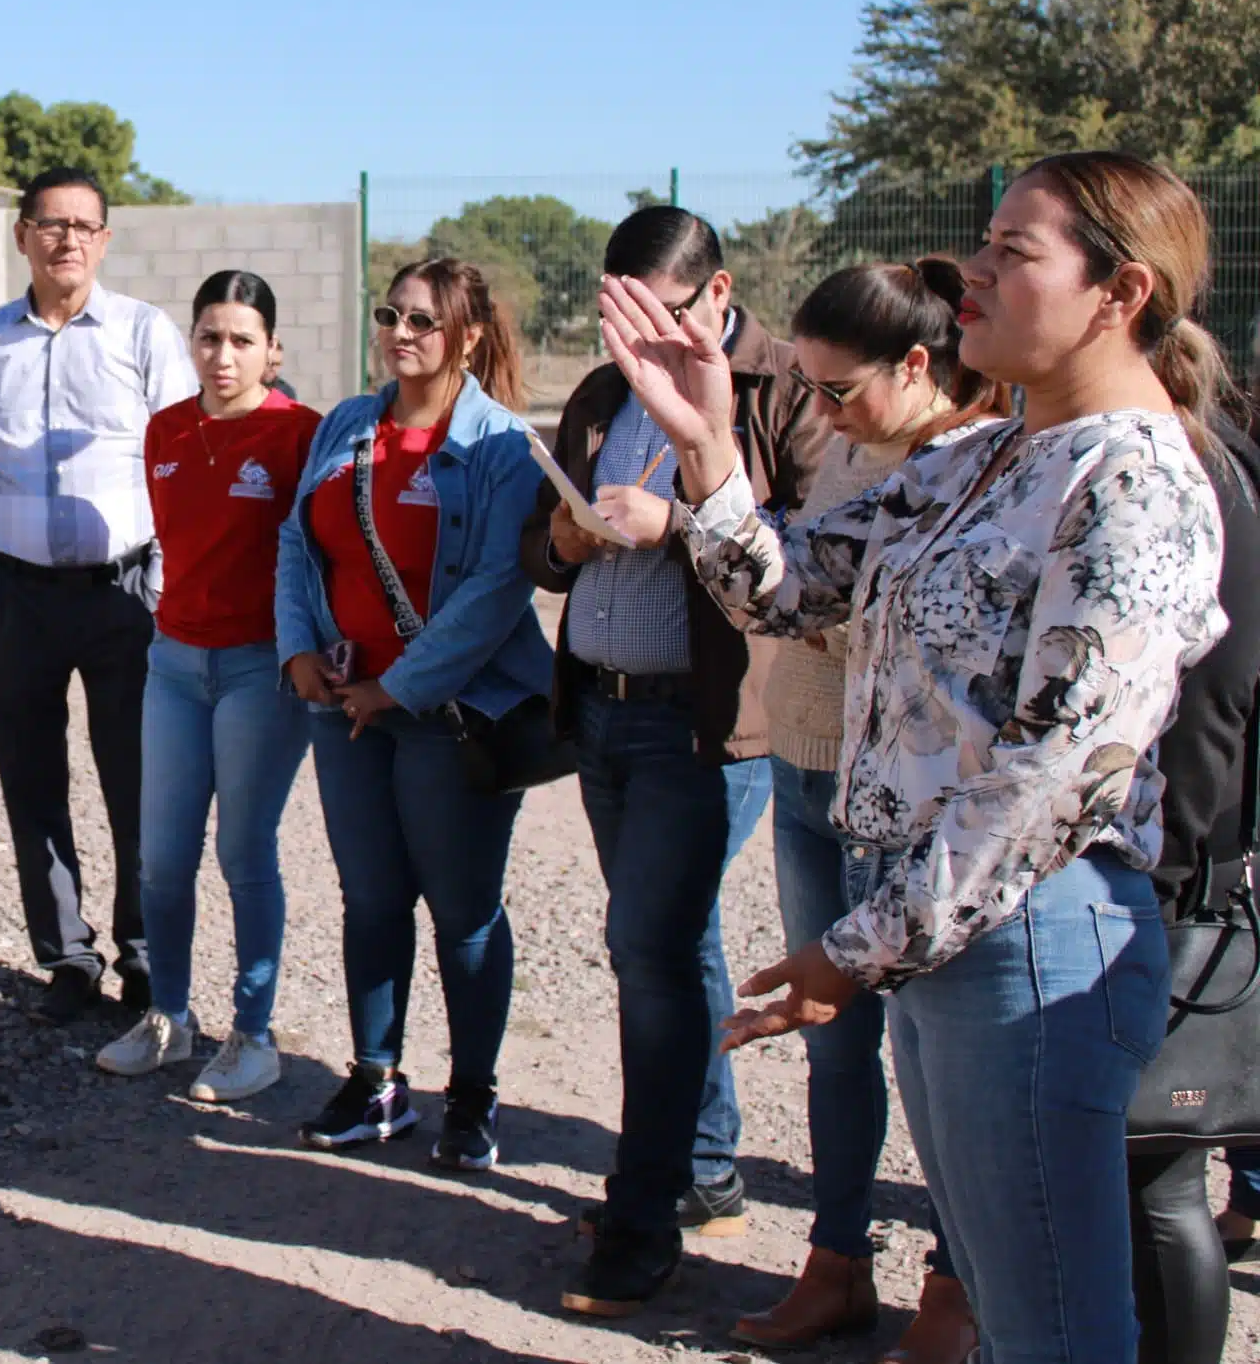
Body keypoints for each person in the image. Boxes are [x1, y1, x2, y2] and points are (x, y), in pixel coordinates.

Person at [623, 151, 1227, 1359]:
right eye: (984, 242)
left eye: (1015, 251)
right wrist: (702, 442)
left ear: (1121, 294)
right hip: (945, 926)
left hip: (1033, 937)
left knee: (1054, 1324)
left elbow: (1059, 772)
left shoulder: (1135, 482)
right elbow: (787, 587)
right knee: (1013, 1309)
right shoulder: (980, 455)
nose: (973, 275)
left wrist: (857, 947)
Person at [518, 208, 828, 1310]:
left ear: (717, 291)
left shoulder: (782, 385)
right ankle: (701, 1165)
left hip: (701, 725)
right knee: (669, 937)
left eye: (660, 313)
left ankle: (642, 1216)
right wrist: (564, 537)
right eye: (618, 315)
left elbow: (816, 556)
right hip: (598, 712)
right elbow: (539, 552)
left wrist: (682, 518)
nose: (638, 337)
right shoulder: (604, 390)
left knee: (645, 947)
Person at [727, 261, 1003, 1354]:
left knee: (926, 1056)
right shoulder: (851, 437)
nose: (821, 411)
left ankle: (955, 1282)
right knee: (827, 1034)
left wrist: (809, 599)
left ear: (918, 365)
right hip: (807, 766)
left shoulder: (968, 466)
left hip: (897, 795)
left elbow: (888, 630)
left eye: (838, 388)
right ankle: (837, 1259)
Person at [277, 259, 553, 1169]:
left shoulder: (502, 444)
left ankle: (472, 1100)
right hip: (344, 708)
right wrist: (299, 653)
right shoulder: (350, 424)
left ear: (468, 336)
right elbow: (295, 541)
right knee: (371, 900)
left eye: (424, 322)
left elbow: (495, 591)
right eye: (390, 315)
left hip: (450, 713)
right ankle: (377, 1083)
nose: (401, 333)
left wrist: (399, 687)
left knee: (464, 913)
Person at [0, 165, 197, 1023]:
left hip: (127, 601)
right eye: (51, 223)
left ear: (105, 240)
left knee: (138, 785)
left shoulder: (144, 337)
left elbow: (189, 464)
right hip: (16, 600)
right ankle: (67, 957)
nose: (68, 238)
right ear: (22, 237)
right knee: (33, 785)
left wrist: (170, 575)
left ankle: (145, 955)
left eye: (85, 225)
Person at [95, 271, 319, 1100]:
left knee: (242, 851)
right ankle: (170, 1018)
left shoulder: (301, 435)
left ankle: (253, 1036)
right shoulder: (164, 433)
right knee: (159, 858)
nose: (223, 355)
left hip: (262, 668)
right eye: (209, 337)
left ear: (273, 350)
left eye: (242, 340)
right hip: (174, 665)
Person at [1126, 415, 1260, 1364]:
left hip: (1170, 877)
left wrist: (1172, 878)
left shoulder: (1193, 470)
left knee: (1159, 1181)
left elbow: (1211, 704)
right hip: (1182, 862)